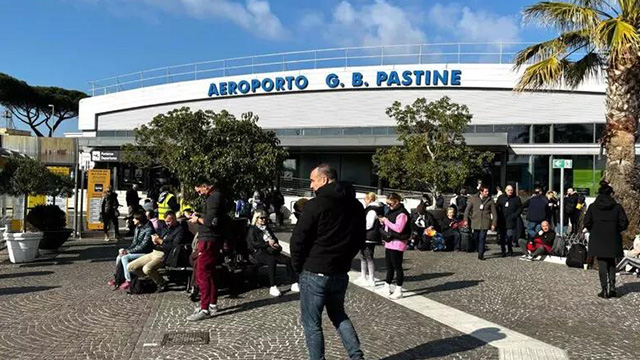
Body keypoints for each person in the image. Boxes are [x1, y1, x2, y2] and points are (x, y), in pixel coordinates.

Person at [290, 164, 365, 360]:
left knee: (312, 323)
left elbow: (298, 239)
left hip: (315, 271)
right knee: (339, 315)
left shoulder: (316, 204)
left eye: (313, 180)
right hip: (340, 272)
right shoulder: (356, 206)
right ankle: (357, 357)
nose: (311, 185)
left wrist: (298, 267)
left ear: (324, 179)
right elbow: (359, 238)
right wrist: (345, 258)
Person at [186, 180, 230, 321]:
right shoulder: (217, 197)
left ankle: (204, 308)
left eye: (199, 190)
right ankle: (212, 304)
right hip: (212, 239)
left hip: (208, 240)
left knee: (202, 274)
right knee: (209, 273)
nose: (198, 193)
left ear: (206, 186)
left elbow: (210, 222)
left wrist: (197, 219)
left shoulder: (213, 198)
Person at [584, 181, 629, 298]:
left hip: (598, 237)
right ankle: (613, 288)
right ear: (610, 194)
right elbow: (624, 222)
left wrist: (594, 228)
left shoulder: (593, 207)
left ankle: (604, 289)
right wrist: (616, 229)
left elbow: (587, 222)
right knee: (611, 262)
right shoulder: (617, 207)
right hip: (613, 237)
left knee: (602, 262)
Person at [127, 211, 189, 292]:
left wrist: (161, 242)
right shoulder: (165, 228)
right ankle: (152, 279)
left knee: (147, 269)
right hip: (154, 251)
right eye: (166, 221)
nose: (167, 223)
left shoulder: (179, 230)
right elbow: (158, 235)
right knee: (130, 267)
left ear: (174, 219)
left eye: (169, 221)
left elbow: (174, 247)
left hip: (164, 254)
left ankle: (161, 283)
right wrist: (154, 239)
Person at [246, 209, 299, 296]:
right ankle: (273, 286)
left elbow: (275, 238)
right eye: (261, 218)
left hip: (271, 250)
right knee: (271, 261)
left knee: (288, 260)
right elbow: (254, 243)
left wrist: (275, 243)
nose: (264, 220)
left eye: (265, 218)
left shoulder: (267, 228)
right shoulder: (252, 229)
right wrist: (267, 243)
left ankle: (294, 282)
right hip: (259, 252)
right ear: (256, 219)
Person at [110, 210, 155, 290]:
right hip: (137, 251)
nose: (133, 220)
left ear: (139, 219)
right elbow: (134, 243)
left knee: (125, 258)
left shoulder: (148, 229)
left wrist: (128, 252)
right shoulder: (137, 228)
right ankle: (118, 278)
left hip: (146, 253)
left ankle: (128, 280)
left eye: (134, 219)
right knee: (119, 256)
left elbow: (143, 246)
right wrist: (126, 250)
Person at [378, 193, 410, 299]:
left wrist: (386, 221)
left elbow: (399, 228)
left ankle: (398, 289)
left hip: (398, 243)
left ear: (396, 202)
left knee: (397, 267)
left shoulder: (402, 213)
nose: (388, 206)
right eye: (387, 204)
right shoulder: (391, 211)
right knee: (389, 266)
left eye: (390, 204)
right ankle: (387, 286)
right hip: (389, 241)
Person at [356, 192, 383, 287]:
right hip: (366, 236)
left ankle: (371, 278)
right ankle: (363, 276)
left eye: (365, 199)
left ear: (369, 199)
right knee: (363, 256)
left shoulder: (372, 210)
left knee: (368, 257)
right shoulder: (370, 209)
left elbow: (369, 224)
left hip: (369, 236)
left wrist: (360, 228)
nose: (364, 201)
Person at [464, 186, 497, 260]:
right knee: (476, 237)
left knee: (482, 238)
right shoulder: (473, 199)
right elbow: (467, 210)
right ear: (481, 192)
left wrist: (493, 223)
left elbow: (494, 213)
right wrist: (465, 220)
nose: (487, 193)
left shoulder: (490, 201)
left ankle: (480, 254)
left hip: (485, 222)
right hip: (476, 221)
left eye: (488, 191)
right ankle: (479, 248)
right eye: (486, 191)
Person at [495, 184, 522, 257]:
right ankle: (503, 250)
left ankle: (510, 249)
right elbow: (496, 207)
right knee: (502, 236)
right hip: (502, 220)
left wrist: (515, 215)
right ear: (505, 190)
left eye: (511, 190)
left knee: (509, 235)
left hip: (511, 220)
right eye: (508, 190)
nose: (510, 192)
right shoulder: (501, 198)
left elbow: (520, 208)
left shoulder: (516, 198)